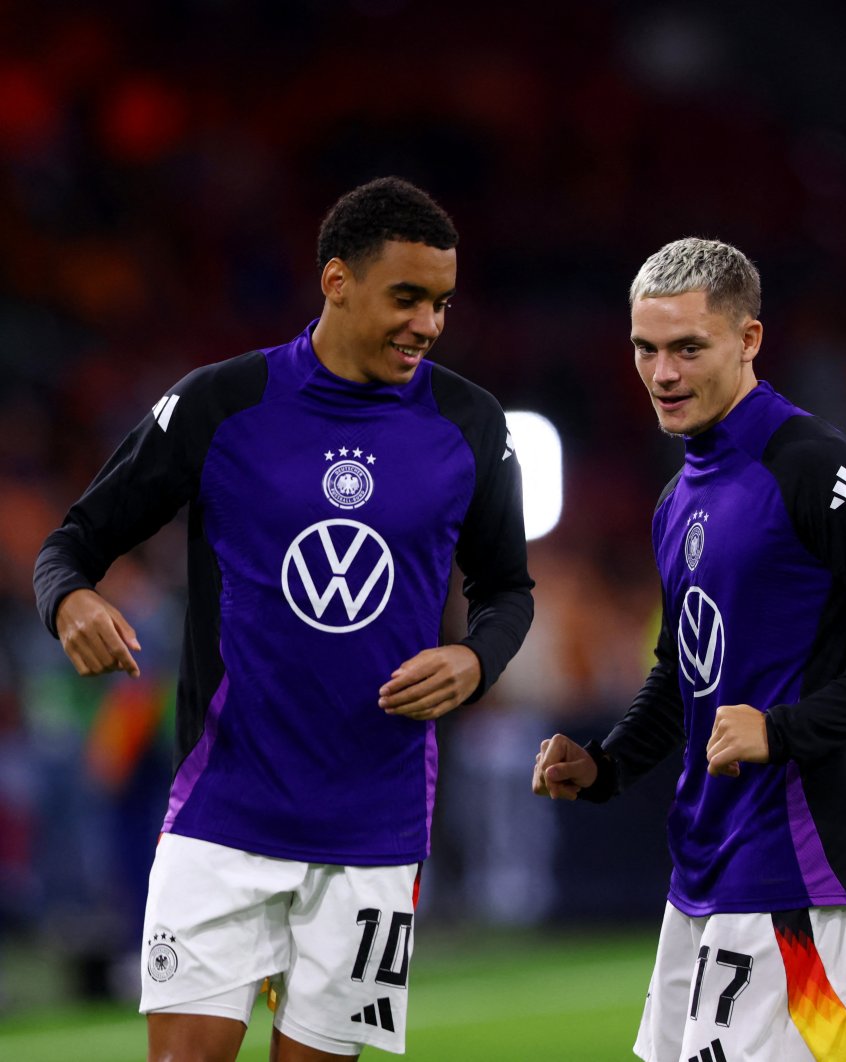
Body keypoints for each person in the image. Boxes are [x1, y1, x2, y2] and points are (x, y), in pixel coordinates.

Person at [34, 176, 535, 1061]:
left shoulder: (470, 424)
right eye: (407, 298)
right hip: (223, 811)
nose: (429, 324)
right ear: (335, 281)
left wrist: (474, 662)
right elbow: (72, 542)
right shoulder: (222, 405)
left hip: (375, 828)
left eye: (443, 303)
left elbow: (509, 590)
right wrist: (69, 600)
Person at [531, 237, 846, 1062]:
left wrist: (784, 730)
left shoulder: (816, 470)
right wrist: (605, 766)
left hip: (797, 865)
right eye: (646, 348)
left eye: (687, 348)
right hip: (705, 861)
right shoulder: (678, 497)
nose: (662, 373)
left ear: (748, 341)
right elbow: (682, 671)